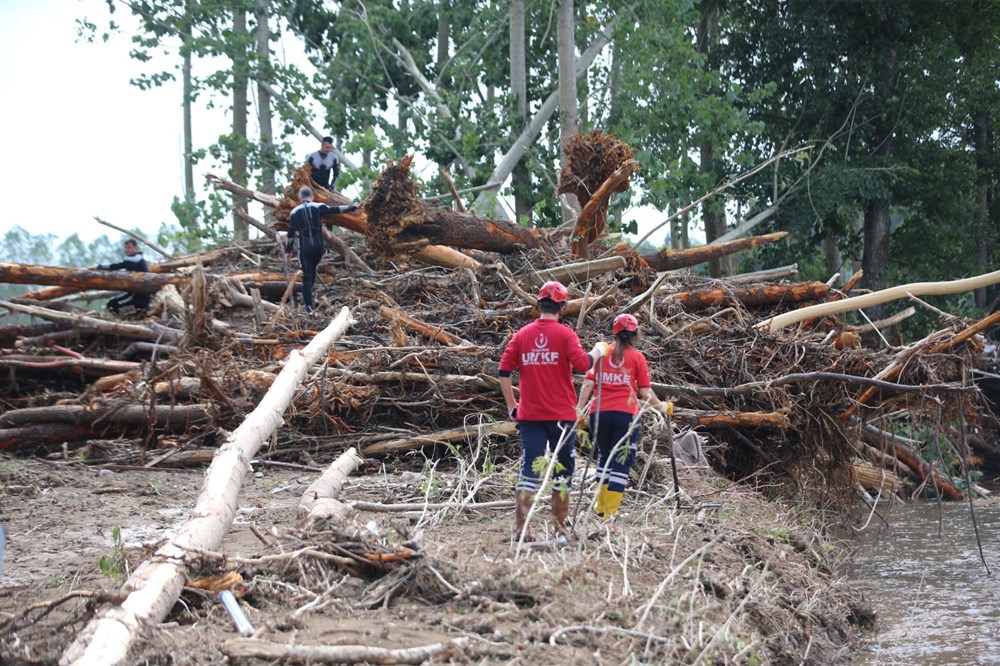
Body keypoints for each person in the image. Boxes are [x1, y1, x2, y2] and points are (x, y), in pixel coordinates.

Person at [498, 280, 609, 541]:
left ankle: (522, 529)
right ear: (562, 306)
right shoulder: (565, 335)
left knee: (529, 469)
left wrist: (511, 405)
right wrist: (599, 350)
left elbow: (503, 371)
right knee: (562, 468)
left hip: (530, 417)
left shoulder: (522, 334)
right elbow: (583, 364)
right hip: (561, 418)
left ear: (539, 305)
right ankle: (560, 527)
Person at [576, 313, 673, 519]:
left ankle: (600, 507)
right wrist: (662, 407)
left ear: (614, 332)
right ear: (636, 334)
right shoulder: (637, 358)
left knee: (604, 455)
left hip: (598, 415)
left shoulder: (601, 352)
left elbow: (588, 383)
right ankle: (610, 512)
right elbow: (646, 393)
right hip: (626, 416)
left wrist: (578, 409)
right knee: (621, 460)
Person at [284, 186, 358, 314]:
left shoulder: (294, 212)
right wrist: (351, 207)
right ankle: (310, 298)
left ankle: (308, 307)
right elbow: (334, 210)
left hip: (305, 249)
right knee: (312, 272)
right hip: (318, 248)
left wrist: (288, 251)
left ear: (300, 198)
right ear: (311, 196)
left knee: (306, 277)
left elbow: (290, 235)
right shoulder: (318, 206)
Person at [95, 239, 150, 315]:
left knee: (112, 304)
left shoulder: (135, 260)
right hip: (134, 293)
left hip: (139, 295)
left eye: (129, 247)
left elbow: (117, 266)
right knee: (112, 303)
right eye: (125, 248)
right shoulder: (137, 258)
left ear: (135, 248)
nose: (126, 250)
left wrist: (99, 267)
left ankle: (118, 323)